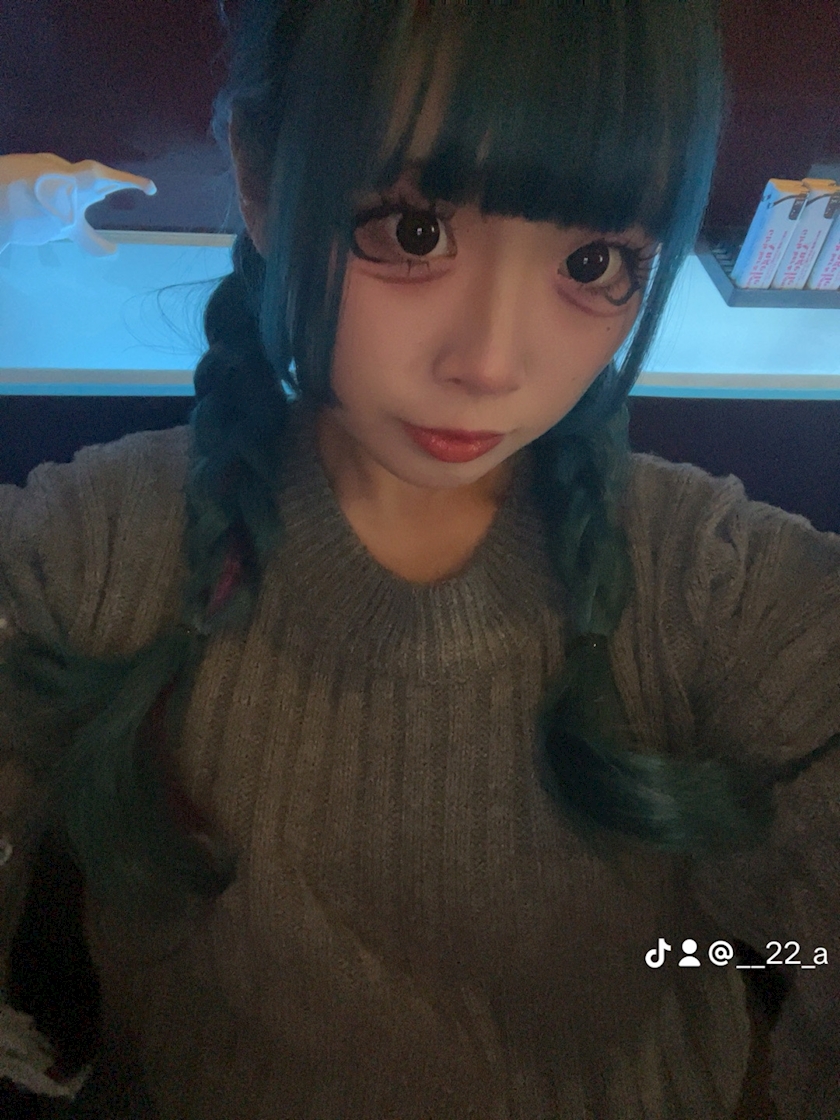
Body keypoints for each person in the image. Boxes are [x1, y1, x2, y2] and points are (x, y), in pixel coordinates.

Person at [0, 0, 838, 1117]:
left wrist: (725, 959)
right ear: (259, 179)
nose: (492, 364)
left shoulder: (718, 587)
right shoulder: (95, 550)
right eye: (411, 232)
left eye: (594, 260)